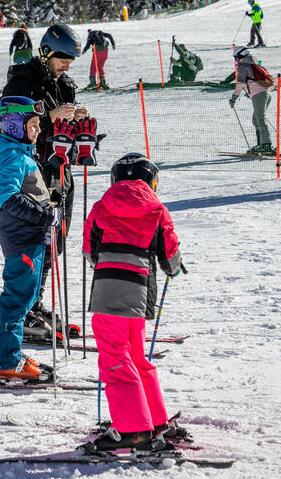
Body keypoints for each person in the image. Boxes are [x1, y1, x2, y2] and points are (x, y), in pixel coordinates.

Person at [83, 153, 184, 453]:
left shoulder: (102, 207)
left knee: (115, 357)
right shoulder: (157, 209)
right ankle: (154, 420)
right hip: (139, 292)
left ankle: (133, 429)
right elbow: (170, 258)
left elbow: (91, 250)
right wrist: (175, 268)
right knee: (136, 357)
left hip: (108, 289)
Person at [0, 24, 88, 329]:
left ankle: (33, 305)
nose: (66, 66)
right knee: (35, 239)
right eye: (62, 59)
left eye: (70, 61)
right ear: (46, 52)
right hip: (33, 171)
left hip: (60, 169)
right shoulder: (23, 82)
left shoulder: (65, 84)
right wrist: (52, 116)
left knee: (55, 240)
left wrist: (77, 119)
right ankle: (23, 309)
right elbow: (9, 123)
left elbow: (64, 123)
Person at [0, 96, 54, 381]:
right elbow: (8, 196)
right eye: (32, 125)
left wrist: (47, 206)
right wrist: (41, 215)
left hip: (29, 235)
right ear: (14, 126)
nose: (37, 131)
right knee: (18, 298)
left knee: (25, 295)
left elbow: (27, 191)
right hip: (23, 237)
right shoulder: (12, 155)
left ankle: (7, 353)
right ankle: (3, 361)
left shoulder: (19, 152)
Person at [229, 46, 274, 155]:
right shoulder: (254, 62)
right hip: (266, 92)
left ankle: (266, 145)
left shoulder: (243, 65)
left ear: (240, 55)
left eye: (236, 58)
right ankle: (261, 144)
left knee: (260, 119)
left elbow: (240, 84)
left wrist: (234, 98)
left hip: (259, 94)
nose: (236, 60)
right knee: (256, 119)